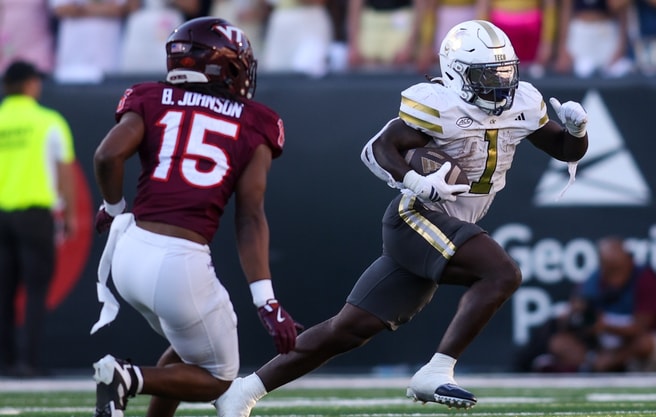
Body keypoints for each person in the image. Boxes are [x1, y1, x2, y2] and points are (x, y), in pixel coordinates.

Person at [215, 19, 589, 416]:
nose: (499, 83)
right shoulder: (440, 106)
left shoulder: (521, 105)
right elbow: (377, 149)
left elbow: (565, 151)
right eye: (486, 74)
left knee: (347, 329)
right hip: (416, 217)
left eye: (504, 71)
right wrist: (416, 181)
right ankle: (437, 370)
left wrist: (577, 130)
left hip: (443, 224)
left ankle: (242, 392)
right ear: (457, 74)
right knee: (502, 273)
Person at [89, 17, 301, 417]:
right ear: (227, 66)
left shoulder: (149, 96)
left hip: (127, 253)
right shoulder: (256, 121)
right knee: (219, 378)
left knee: (190, 349)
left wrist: (113, 207)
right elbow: (250, 216)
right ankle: (125, 378)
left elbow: (107, 155)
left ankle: (135, 389)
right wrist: (267, 301)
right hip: (179, 263)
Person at [0, 60, 77, 377]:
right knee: (34, 290)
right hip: (35, 216)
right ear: (31, 85)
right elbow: (64, 171)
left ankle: (4, 363)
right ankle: (27, 362)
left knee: (3, 292)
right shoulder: (48, 121)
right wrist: (70, 214)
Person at [544, 236, 656, 373]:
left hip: (643, 347)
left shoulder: (646, 279)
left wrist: (604, 326)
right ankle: (594, 366)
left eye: (618, 268)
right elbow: (574, 322)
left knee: (644, 343)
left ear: (629, 261)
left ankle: (606, 366)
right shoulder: (590, 283)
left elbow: (640, 328)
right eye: (609, 268)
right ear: (601, 265)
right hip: (604, 347)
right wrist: (574, 316)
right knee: (559, 343)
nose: (614, 276)